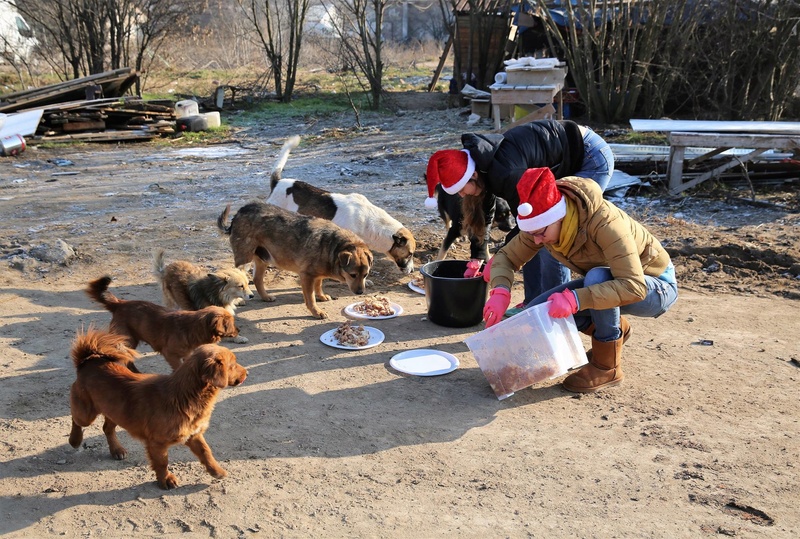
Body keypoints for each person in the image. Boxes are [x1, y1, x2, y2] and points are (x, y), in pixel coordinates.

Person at [481, 167, 678, 393]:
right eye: (531, 234)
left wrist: (576, 300)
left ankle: (607, 367)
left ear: (560, 216)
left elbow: (633, 287)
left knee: (595, 278)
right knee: (540, 312)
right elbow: (506, 257)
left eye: (540, 233)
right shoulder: (542, 223)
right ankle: (615, 331)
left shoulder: (605, 222)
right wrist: (500, 291)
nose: (536, 241)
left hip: (656, 285)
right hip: (610, 281)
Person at [424, 119, 615, 312]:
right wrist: (481, 255)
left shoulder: (507, 173)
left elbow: (528, 227)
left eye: (462, 189)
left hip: (589, 156)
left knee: (553, 233)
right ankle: (532, 302)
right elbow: (485, 213)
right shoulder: (480, 164)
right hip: (562, 158)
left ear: (472, 176)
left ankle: (552, 308)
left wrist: (500, 259)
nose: (461, 195)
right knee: (536, 235)